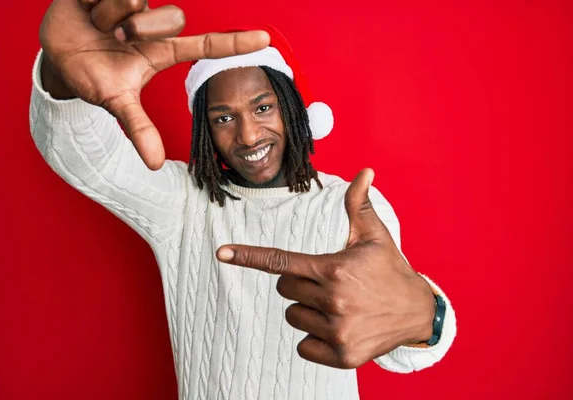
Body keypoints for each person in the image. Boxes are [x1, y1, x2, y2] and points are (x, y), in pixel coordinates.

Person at [30, 0, 457, 399]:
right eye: (224, 118)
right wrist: (62, 74)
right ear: (205, 131)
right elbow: (83, 155)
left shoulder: (351, 207)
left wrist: (427, 316)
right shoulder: (182, 201)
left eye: (262, 108)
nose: (249, 135)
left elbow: (403, 349)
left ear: (291, 108)